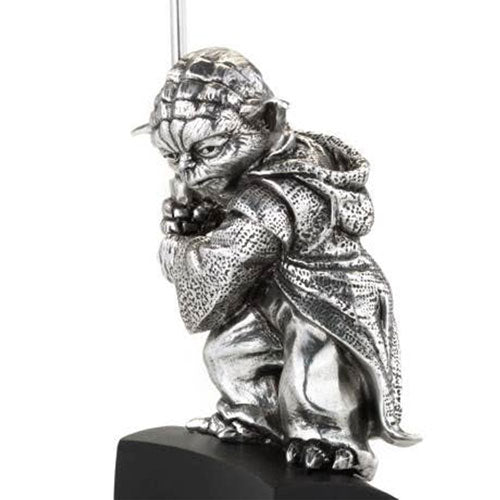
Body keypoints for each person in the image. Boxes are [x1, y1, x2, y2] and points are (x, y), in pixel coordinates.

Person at [148, 47, 419, 479]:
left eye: (209, 148)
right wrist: (205, 213)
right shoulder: (269, 164)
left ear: (269, 119)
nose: (187, 172)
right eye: (171, 156)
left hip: (323, 301)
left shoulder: (281, 193)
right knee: (227, 350)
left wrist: (178, 243)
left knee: (314, 364)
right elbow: (232, 226)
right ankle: (256, 417)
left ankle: (331, 438)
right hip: (272, 294)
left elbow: (213, 284)